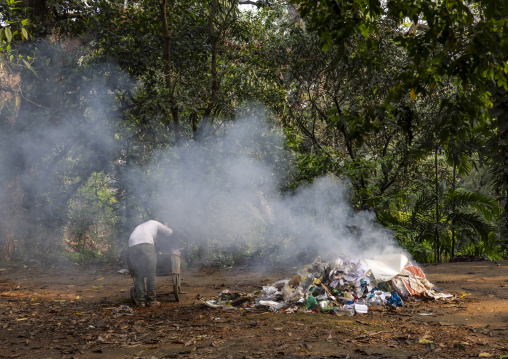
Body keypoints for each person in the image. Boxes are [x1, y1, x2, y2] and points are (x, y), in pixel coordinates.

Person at [128, 220, 173, 307]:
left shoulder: (140, 226)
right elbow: (169, 232)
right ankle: (152, 301)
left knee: (138, 275)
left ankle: (141, 302)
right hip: (146, 246)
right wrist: (166, 227)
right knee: (151, 274)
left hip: (132, 247)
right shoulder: (155, 222)